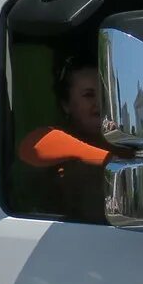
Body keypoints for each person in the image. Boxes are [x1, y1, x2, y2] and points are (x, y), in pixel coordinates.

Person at [17, 61, 110, 223]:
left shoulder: (126, 141)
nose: (99, 102)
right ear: (66, 104)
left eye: (104, 93)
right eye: (89, 95)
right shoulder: (53, 139)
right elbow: (32, 148)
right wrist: (111, 160)